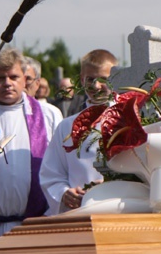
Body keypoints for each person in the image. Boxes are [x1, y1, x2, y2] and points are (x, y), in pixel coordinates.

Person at [0, 48, 62, 237]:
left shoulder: (48, 115)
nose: (7, 83)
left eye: (13, 77)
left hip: (38, 224)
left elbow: (60, 167)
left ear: (25, 79)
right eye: (0, 78)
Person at [40, 49, 117, 215]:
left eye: (103, 79)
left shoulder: (126, 120)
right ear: (82, 80)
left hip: (118, 210)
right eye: (90, 79)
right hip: (79, 212)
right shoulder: (67, 126)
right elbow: (52, 174)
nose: (96, 86)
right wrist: (64, 193)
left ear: (115, 78)